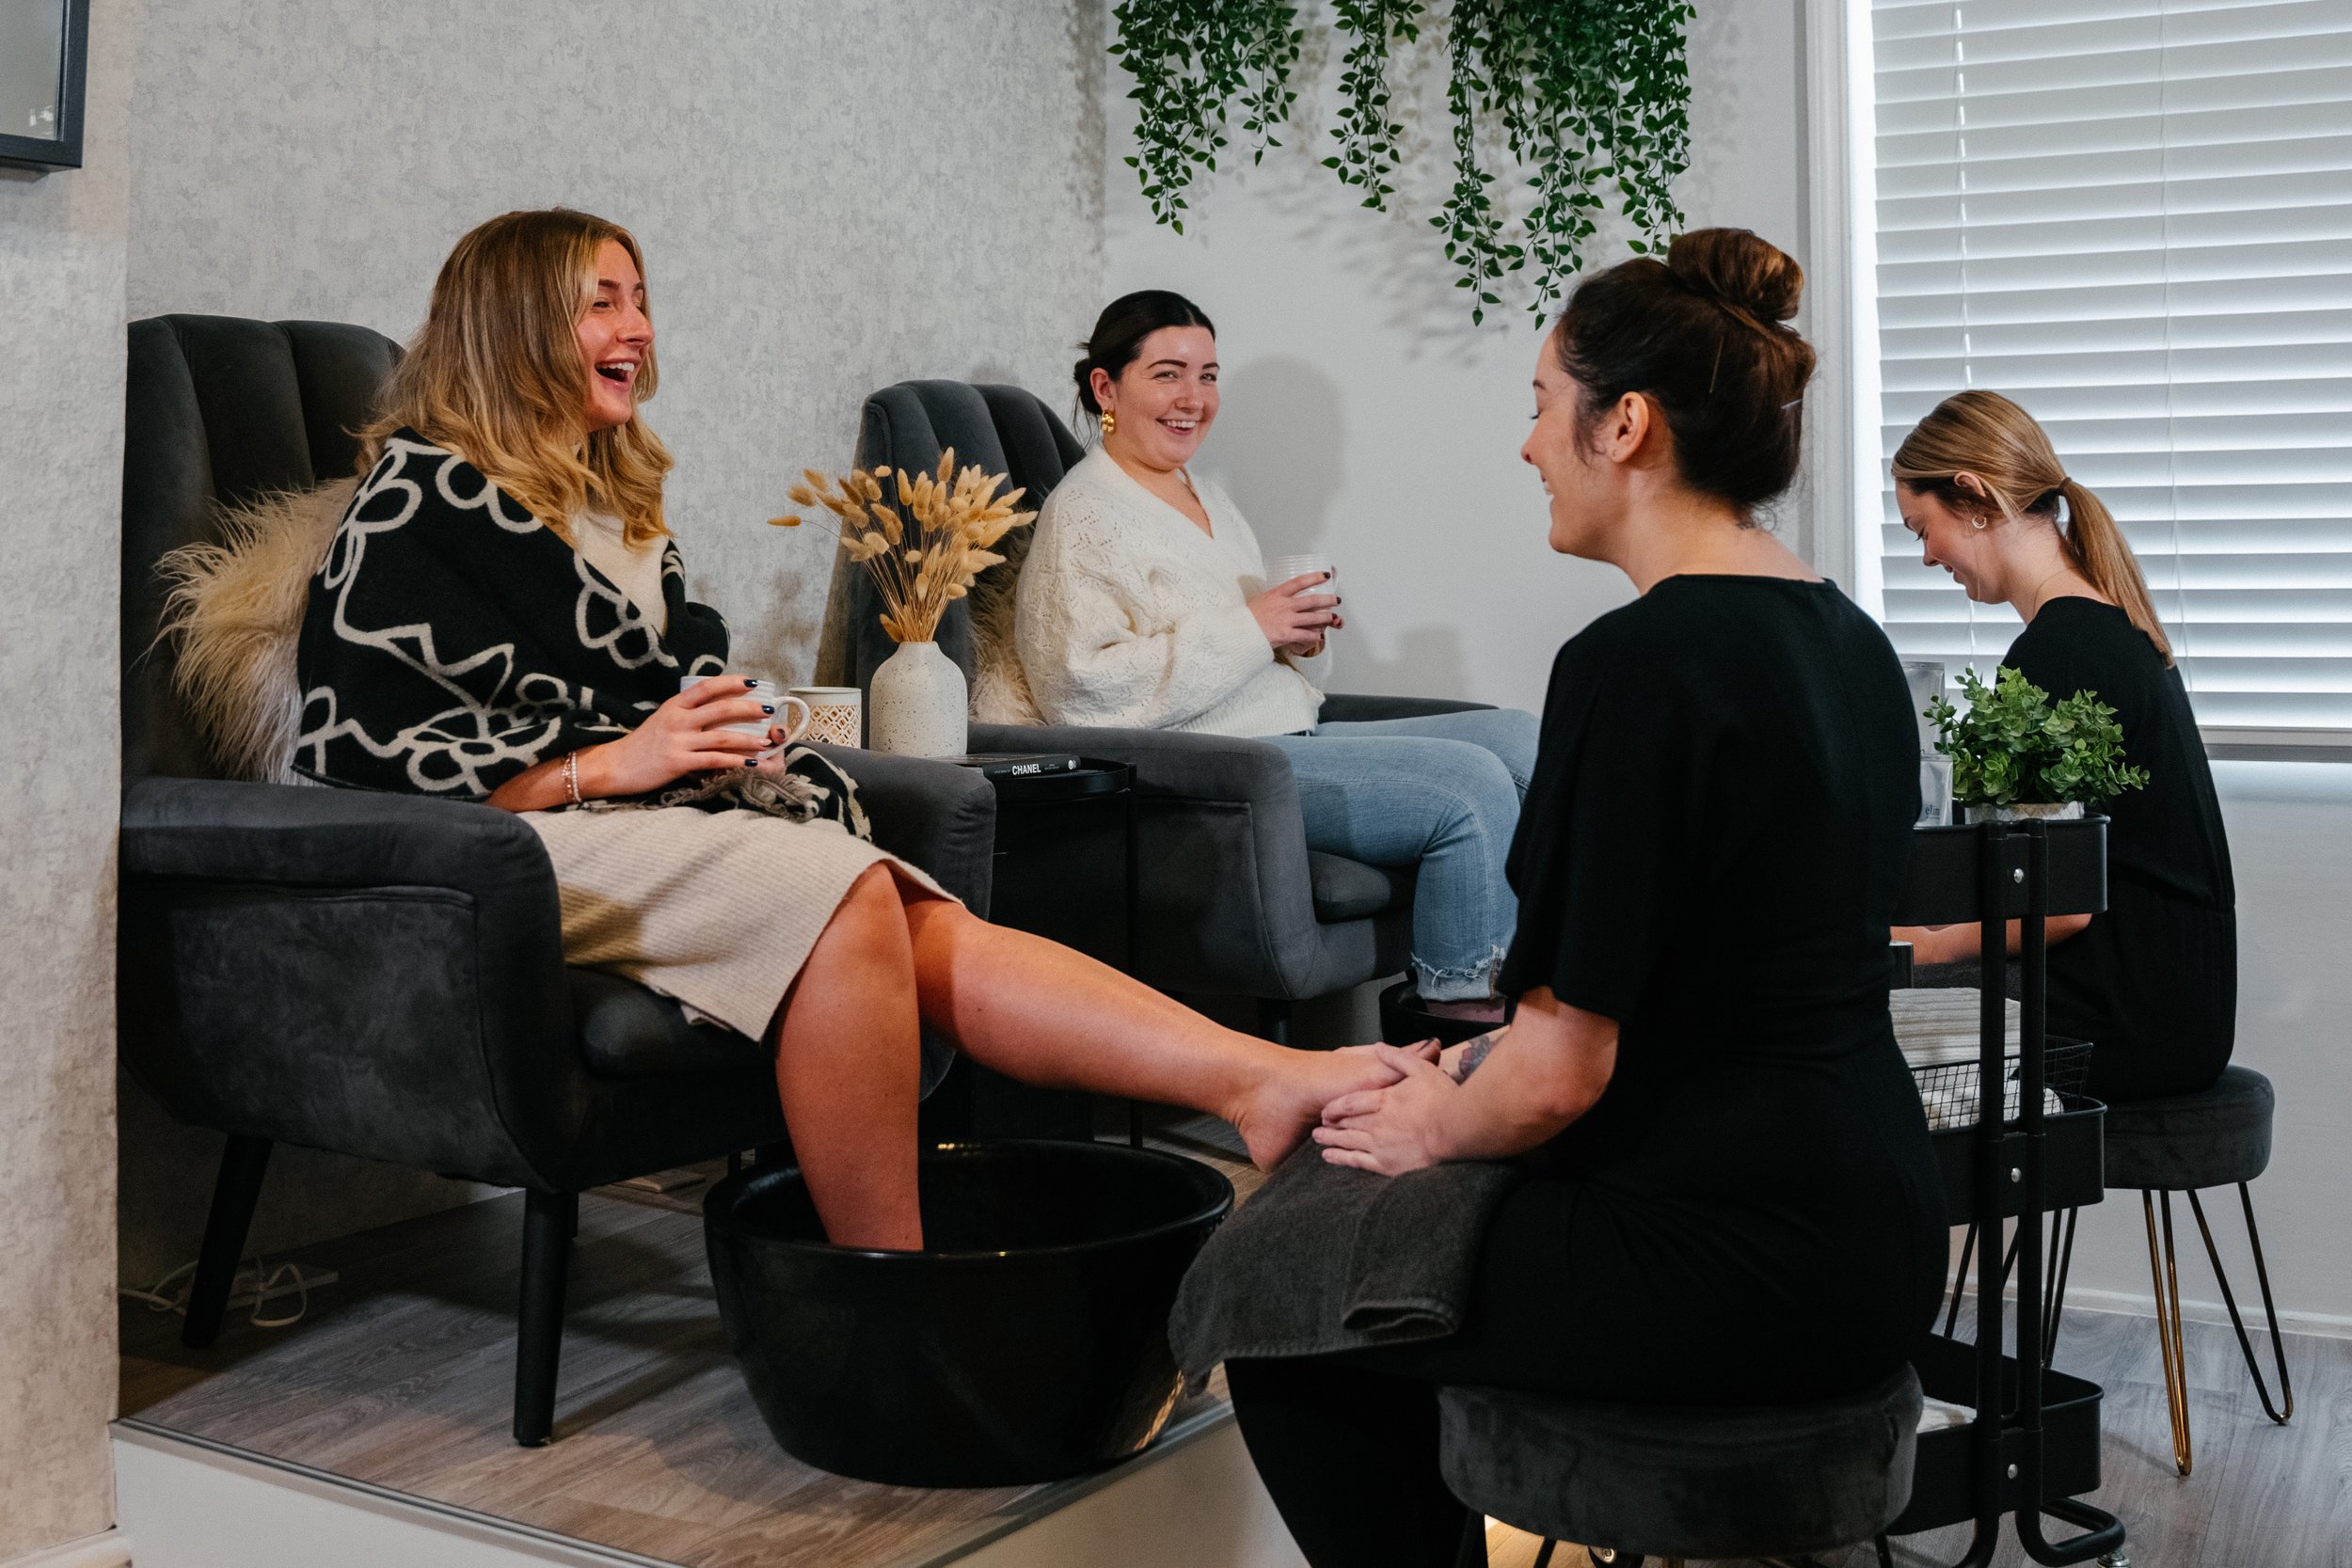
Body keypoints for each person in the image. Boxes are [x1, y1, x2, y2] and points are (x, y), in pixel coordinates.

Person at [292, 209, 1406, 1252]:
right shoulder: (420, 497)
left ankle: (1254, 1078)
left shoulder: (616, 503)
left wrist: (728, 729)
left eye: (639, 297)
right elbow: (362, 756)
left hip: (632, 817)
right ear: (513, 327)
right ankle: (892, 1277)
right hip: (498, 852)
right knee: (851, 894)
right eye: (600, 303)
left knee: (911, 913)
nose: (637, 326)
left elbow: (657, 684)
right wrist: (617, 760)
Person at [1213, 230, 1947, 1568]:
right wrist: (1463, 1069)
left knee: (1285, 1297)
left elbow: (1559, 1076)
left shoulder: (1639, 662)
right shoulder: (1851, 640)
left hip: (1729, 1250)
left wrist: (1437, 1114)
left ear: (1627, 424)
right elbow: (1710, 976)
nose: (1527, 444)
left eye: (1543, 403)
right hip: (1881, 1221)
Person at [982, 290, 1540, 1017]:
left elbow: (1268, 665)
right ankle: (1460, 1030)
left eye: (1209, 375)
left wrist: (1299, 642)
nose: (1194, 398)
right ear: (1106, 387)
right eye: (1168, 373)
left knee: (1526, 739)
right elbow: (1079, 690)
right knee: (1467, 787)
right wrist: (1254, 628)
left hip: (1291, 734)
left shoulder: (1204, 496)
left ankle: (1551, 995)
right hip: (1223, 765)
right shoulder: (1084, 517)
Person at [1890, 390, 2237, 1102]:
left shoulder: (2059, 655)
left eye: (1923, 529)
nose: (1926, 557)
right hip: (2179, 1012)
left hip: (2127, 1021)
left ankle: (1940, 1210)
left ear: (1974, 496)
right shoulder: (2111, 632)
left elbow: (2056, 900)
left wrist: (1921, 942)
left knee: (1866, 1006)